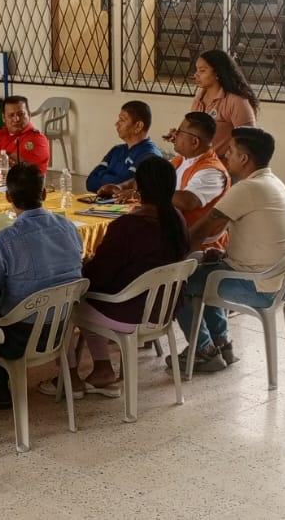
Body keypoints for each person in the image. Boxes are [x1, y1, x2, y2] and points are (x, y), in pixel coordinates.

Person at [42, 156, 189, 399]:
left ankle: (70, 379)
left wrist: (86, 264)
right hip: (163, 310)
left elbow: (99, 277)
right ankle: (103, 371)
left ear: (138, 187)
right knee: (91, 299)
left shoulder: (128, 226)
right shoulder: (177, 219)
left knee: (67, 303)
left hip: (129, 312)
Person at [176, 127, 285, 374]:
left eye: (231, 151)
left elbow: (204, 229)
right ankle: (221, 344)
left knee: (178, 283)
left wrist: (172, 257)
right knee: (208, 269)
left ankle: (203, 351)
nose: (225, 155)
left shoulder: (247, 188)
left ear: (244, 158)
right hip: (281, 282)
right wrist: (225, 255)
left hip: (259, 286)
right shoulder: (272, 182)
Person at [0, 162, 83, 409]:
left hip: (20, 339)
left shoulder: (5, 240)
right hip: (63, 329)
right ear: (44, 193)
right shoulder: (69, 227)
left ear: (7, 197)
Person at [98, 112, 228, 253]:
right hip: (166, 234)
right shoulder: (181, 160)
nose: (174, 135)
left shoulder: (212, 172)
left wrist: (142, 193)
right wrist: (120, 186)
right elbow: (151, 178)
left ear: (195, 142)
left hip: (191, 245)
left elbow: (187, 201)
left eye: (179, 132)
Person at [189, 49, 259, 160]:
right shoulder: (199, 96)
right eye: (197, 70)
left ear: (217, 73)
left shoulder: (236, 101)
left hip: (223, 166)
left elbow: (249, 142)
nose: (196, 75)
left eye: (202, 71)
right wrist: (180, 136)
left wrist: (226, 162)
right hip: (198, 162)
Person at [85, 100, 163, 193]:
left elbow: (125, 186)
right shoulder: (116, 150)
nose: (116, 124)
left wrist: (104, 176)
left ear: (138, 126)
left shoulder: (150, 156)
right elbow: (90, 182)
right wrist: (113, 181)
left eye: (122, 120)